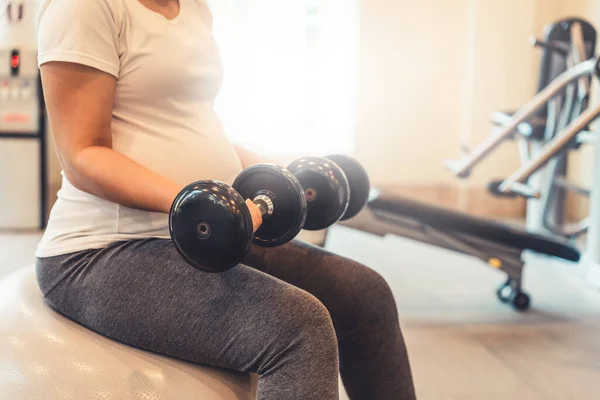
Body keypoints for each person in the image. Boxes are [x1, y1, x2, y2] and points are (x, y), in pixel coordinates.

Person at [35, 0, 416, 398]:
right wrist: (194, 201)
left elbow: (190, 122)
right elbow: (82, 155)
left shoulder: (193, 7)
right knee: (298, 328)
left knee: (364, 293)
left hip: (201, 237)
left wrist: (279, 172)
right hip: (104, 250)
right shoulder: (84, 6)